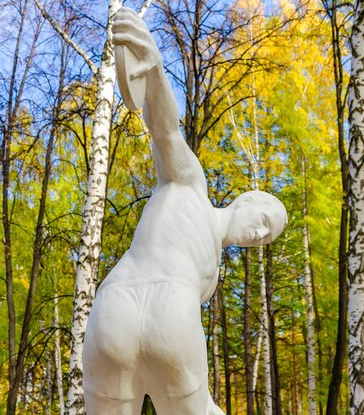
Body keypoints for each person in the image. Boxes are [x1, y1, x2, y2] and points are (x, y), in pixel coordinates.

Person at [82, 7, 287, 415]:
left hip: (112, 312)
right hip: (164, 308)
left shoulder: (209, 266)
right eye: (264, 222)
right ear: (247, 199)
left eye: (267, 238)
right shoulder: (193, 184)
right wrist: (153, 68)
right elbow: (166, 131)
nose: (259, 236)